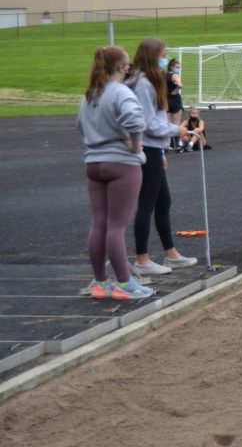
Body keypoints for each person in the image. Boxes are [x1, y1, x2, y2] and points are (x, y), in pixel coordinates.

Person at [76, 46, 154, 300]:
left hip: (94, 163)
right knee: (116, 226)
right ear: (122, 67)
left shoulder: (90, 94)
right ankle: (124, 282)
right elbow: (136, 121)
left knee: (98, 223)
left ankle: (100, 282)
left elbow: (80, 125)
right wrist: (133, 144)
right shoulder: (121, 92)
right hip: (121, 164)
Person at [126, 38, 195, 274]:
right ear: (153, 55)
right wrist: (176, 130)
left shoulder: (146, 81)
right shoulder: (143, 84)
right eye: (163, 55)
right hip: (147, 147)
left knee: (163, 201)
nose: (166, 59)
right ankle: (142, 259)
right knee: (147, 202)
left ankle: (170, 253)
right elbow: (148, 123)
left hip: (154, 148)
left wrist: (163, 147)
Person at [165, 58, 183, 150]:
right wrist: (175, 91)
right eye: (177, 67)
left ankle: (169, 144)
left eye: (179, 67)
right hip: (175, 100)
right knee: (176, 123)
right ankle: (177, 143)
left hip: (166, 99)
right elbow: (180, 85)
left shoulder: (164, 75)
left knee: (168, 123)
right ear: (171, 67)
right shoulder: (175, 75)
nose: (178, 69)